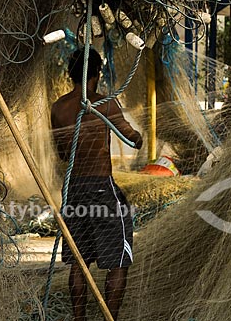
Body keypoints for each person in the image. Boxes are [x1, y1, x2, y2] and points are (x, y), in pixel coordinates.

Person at [51, 48, 143, 321]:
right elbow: (132, 138)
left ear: (71, 74)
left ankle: (80, 319)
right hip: (102, 187)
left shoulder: (58, 108)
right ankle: (110, 318)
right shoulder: (106, 104)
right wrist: (138, 136)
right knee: (119, 260)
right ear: (97, 74)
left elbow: (62, 153)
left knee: (79, 262)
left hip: (74, 191)